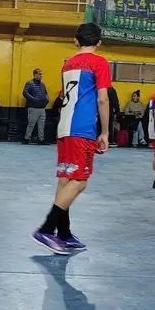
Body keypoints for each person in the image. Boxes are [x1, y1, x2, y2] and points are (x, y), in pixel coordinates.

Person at [32, 22, 110, 255]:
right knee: (80, 181)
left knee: (66, 178)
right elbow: (103, 99)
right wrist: (105, 132)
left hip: (64, 126)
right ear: (99, 42)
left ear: (76, 41)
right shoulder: (99, 62)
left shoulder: (67, 64)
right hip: (82, 127)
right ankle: (47, 228)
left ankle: (64, 233)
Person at [23, 68, 49, 144]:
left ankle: (41, 139)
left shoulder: (42, 84)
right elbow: (25, 93)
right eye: (39, 74)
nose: (41, 76)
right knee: (31, 124)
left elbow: (46, 93)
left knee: (42, 125)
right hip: (33, 108)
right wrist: (34, 100)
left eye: (41, 74)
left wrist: (46, 100)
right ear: (35, 74)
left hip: (42, 108)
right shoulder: (29, 83)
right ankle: (26, 138)